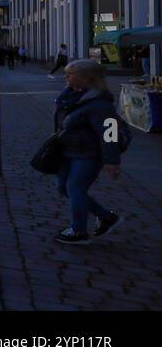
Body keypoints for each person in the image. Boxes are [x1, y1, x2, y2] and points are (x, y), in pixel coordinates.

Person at [51, 60, 123, 244]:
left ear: (86, 77)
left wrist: (111, 160)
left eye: (70, 74)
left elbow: (110, 132)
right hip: (68, 150)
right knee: (63, 187)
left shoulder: (100, 103)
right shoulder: (71, 94)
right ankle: (105, 216)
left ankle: (78, 231)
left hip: (88, 154)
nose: (66, 77)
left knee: (75, 188)